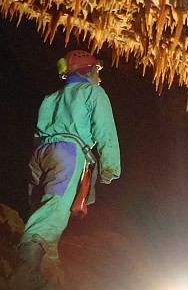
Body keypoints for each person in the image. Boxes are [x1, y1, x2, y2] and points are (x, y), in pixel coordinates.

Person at [17, 50, 121, 276]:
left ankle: (46, 271)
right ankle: (24, 271)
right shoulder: (93, 92)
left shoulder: (51, 98)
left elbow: (38, 131)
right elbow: (105, 130)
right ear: (88, 71)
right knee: (54, 210)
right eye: (97, 71)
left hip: (40, 153)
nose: (99, 77)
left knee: (40, 208)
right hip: (68, 152)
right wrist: (110, 166)